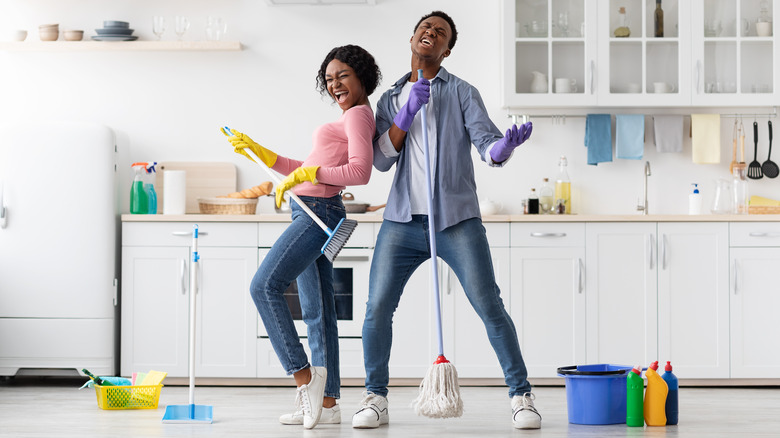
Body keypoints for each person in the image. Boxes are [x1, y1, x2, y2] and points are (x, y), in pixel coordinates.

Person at [351, 11, 540, 430]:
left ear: (446, 50)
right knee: (377, 308)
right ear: (413, 36)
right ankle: (374, 397)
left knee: (490, 306)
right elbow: (381, 160)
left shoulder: (462, 92)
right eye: (425, 28)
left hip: (456, 221)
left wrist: (504, 148)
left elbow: (488, 146)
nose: (430, 33)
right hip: (401, 221)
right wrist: (405, 114)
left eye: (440, 33)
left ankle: (521, 396)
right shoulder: (389, 99)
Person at [223, 44, 381, 430]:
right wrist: (263, 154)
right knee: (318, 310)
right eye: (329, 79)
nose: (335, 84)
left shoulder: (359, 116)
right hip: (310, 210)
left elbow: (360, 172)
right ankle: (327, 403)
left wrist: (309, 176)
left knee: (264, 287)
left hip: (317, 215)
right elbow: (306, 167)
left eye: (343, 75)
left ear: (361, 75)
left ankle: (304, 380)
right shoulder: (348, 118)